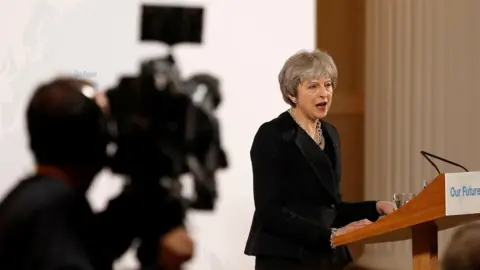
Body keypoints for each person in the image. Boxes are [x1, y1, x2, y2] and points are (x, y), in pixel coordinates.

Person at [0, 77, 192, 270]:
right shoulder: (54, 213)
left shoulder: (35, 200)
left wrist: (135, 206)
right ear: (95, 138)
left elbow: (92, 248)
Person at [244, 49, 395, 270]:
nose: (324, 93)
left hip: (326, 254)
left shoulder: (330, 134)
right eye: (313, 86)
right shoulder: (273, 135)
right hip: (286, 258)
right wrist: (329, 236)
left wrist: (376, 207)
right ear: (292, 94)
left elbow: (331, 207)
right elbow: (270, 211)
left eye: (328, 85)